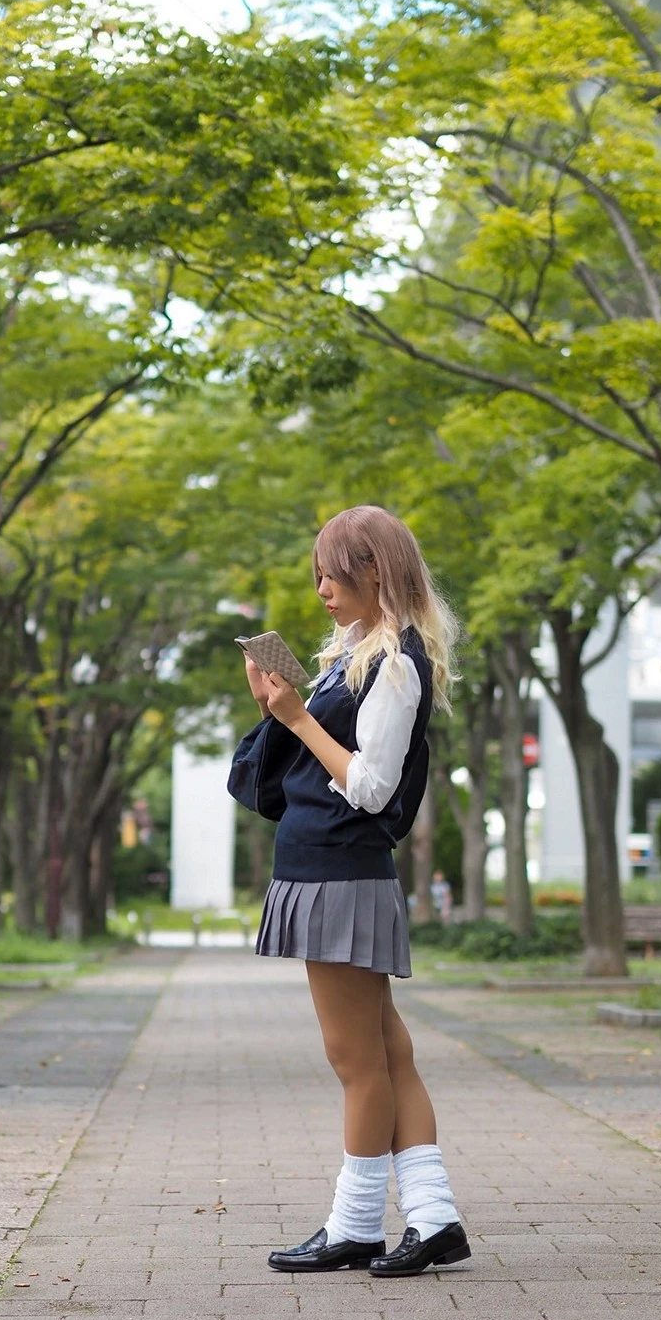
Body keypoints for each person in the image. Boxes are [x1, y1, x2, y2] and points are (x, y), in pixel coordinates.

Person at [230, 504, 470, 1277]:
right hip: (328, 870)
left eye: (333, 574)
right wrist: (284, 705)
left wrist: (298, 717)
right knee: (389, 1053)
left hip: (340, 871)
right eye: (318, 576)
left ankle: (355, 1225)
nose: (323, 590)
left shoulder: (396, 663)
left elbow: (370, 786)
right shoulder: (356, 655)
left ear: (376, 571)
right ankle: (433, 1218)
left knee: (356, 1061)